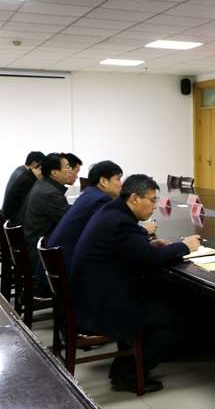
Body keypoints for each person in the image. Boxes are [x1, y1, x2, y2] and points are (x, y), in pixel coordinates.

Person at [71, 175, 200, 393]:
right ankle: (129, 375)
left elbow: (134, 245)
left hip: (91, 294)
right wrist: (185, 246)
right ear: (134, 198)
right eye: (152, 200)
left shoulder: (113, 211)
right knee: (170, 319)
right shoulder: (120, 222)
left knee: (160, 301)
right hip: (102, 304)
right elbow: (149, 259)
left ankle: (124, 367)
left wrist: (149, 243)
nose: (155, 205)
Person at [47, 160, 125, 274]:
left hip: (57, 263)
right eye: (118, 179)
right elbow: (116, 231)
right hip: (67, 267)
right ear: (103, 181)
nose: (121, 184)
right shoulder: (100, 200)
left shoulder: (90, 194)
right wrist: (143, 230)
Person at [21, 153, 71, 270]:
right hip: (42, 254)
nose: (70, 171)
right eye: (67, 167)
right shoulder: (50, 193)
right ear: (54, 173)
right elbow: (69, 222)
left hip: (35, 245)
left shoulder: (42, 184)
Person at [2, 154, 43, 224]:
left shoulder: (20, 170)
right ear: (34, 164)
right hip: (12, 220)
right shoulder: (25, 178)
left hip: (8, 216)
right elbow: (29, 205)